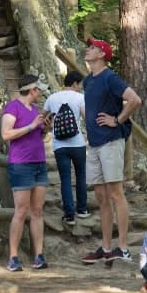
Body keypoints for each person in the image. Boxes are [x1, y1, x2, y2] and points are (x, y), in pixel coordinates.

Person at [79, 38, 142, 264]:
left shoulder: (110, 77)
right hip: (94, 144)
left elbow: (135, 100)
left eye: (93, 48)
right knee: (101, 196)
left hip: (111, 142)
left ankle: (122, 247)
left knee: (116, 193)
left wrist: (117, 119)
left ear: (102, 54)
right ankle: (106, 248)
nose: (88, 49)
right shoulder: (88, 81)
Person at [1, 74, 51, 271]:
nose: (40, 93)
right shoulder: (13, 107)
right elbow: (6, 134)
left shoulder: (35, 110)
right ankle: (13, 257)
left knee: (37, 211)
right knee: (21, 211)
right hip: (21, 164)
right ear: (32, 90)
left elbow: (36, 134)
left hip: (39, 162)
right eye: (39, 90)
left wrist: (44, 129)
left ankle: (39, 255)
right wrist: (30, 126)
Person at [44, 69, 91, 224]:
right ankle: (82, 210)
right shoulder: (80, 97)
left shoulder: (52, 98)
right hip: (77, 143)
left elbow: (42, 116)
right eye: (80, 85)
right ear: (75, 83)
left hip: (59, 145)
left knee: (65, 178)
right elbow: (86, 117)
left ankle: (69, 214)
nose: (80, 87)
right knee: (80, 176)